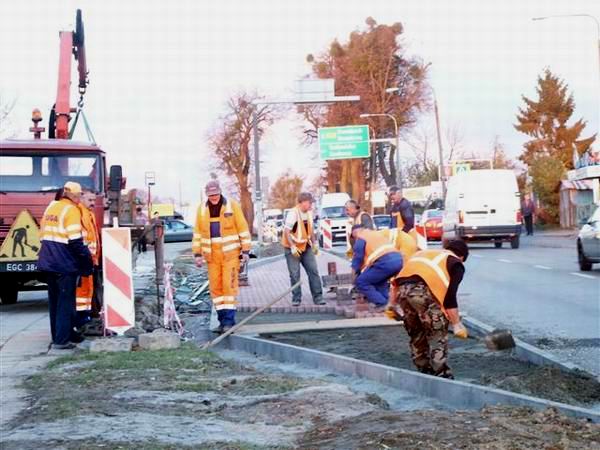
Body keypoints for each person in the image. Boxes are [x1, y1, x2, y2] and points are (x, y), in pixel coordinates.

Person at [388, 240, 469, 379]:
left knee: (416, 333)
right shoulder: (455, 263)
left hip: (403, 294)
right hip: (423, 294)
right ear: (461, 256)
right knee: (437, 333)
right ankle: (442, 375)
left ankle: (424, 371)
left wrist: (391, 305)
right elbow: (450, 298)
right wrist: (456, 324)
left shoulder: (421, 255)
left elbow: (397, 281)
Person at [38, 181, 93, 349]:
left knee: (55, 302)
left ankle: (64, 334)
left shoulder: (52, 206)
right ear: (74, 196)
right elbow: (75, 241)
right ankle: (62, 341)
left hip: (48, 261)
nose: (80, 199)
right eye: (80, 195)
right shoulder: (72, 210)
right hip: (64, 263)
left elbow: (42, 233)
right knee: (65, 302)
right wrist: (86, 261)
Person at [192, 181, 251, 333]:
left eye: (216, 195)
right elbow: (197, 234)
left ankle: (229, 322)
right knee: (216, 290)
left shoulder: (232, 206)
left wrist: (245, 251)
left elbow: (243, 229)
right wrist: (197, 254)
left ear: (220, 192)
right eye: (211, 195)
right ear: (207, 195)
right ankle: (221, 321)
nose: (213, 198)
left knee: (228, 287)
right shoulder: (202, 210)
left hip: (230, 255)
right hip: (212, 257)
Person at [282, 192, 324, 306]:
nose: (311, 205)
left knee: (313, 271)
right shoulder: (293, 213)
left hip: (306, 247)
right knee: (295, 274)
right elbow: (286, 231)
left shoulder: (309, 213)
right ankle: (296, 298)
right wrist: (292, 247)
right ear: (303, 202)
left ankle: (318, 297)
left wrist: (315, 244)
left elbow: (310, 230)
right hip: (293, 249)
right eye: (310, 203)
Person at [351, 226, 403, 309]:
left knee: (361, 282)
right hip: (398, 260)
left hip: (385, 262)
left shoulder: (361, 238)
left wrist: (353, 279)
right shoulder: (375, 234)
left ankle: (382, 303)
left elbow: (357, 260)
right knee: (379, 281)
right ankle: (388, 303)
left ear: (354, 233)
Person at [75, 189, 100, 328]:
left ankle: (85, 315)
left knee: (87, 289)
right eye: (90, 200)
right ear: (81, 198)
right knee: (82, 291)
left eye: (94, 201)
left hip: (89, 259)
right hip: (83, 260)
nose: (93, 203)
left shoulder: (89, 214)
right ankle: (80, 318)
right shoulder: (79, 214)